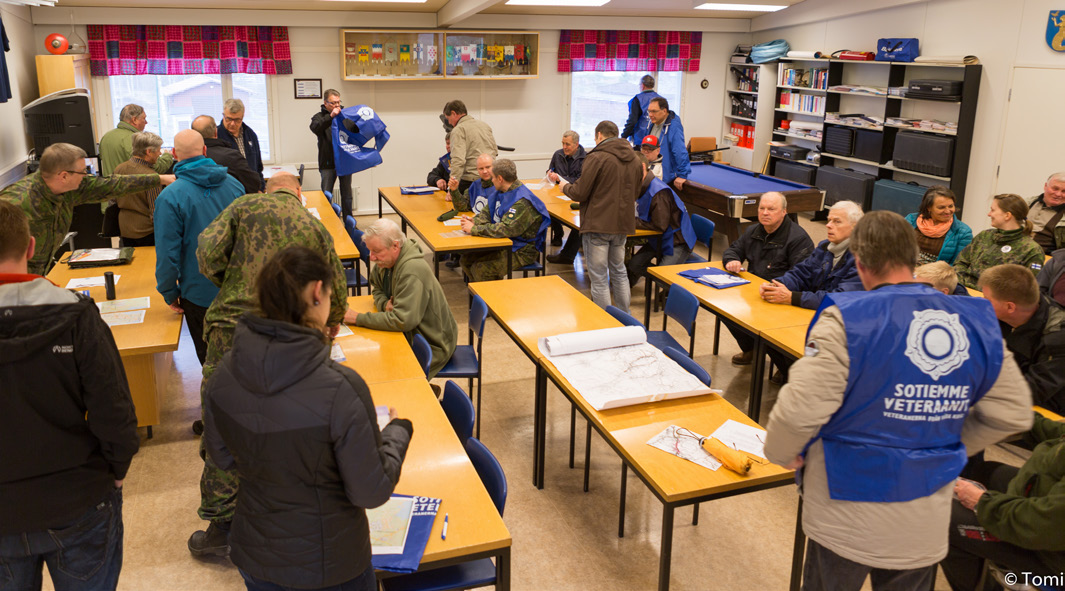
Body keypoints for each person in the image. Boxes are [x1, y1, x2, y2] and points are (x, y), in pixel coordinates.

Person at [764, 210, 1033, 591]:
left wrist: (783, 452)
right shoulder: (977, 320)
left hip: (845, 506)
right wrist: (942, 444)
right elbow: (1012, 413)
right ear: (913, 258)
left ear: (859, 262)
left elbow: (797, 412)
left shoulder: (847, 319)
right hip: (923, 510)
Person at [204, 245, 412, 591]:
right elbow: (370, 492)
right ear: (318, 292)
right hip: (330, 563)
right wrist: (395, 434)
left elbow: (222, 457)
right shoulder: (340, 388)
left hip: (256, 554)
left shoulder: (223, 376)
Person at [190, 172, 348, 558]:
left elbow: (206, 253)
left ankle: (222, 526)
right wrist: (331, 321)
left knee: (224, 422)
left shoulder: (242, 206)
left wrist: (231, 283)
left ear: (266, 190)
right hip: (289, 335)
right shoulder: (312, 224)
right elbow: (334, 283)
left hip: (233, 329)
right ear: (297, 193)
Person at [0, 201, 139, 591]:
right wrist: (118, 469)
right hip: (78, 499)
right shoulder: (76, 315)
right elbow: (114, 408)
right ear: (30, 248)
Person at [0, 142, 174, 276]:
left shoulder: (70, 188)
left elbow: (113, 185)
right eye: (83, 172)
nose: (87, 176)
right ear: (64, 176)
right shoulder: (16, 203)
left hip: (36, 278)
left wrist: (160, 179)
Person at [940, 412, 1065, 591]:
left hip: (1053, 557)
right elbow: (1056, 434)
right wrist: (1011, 412)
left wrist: (981, 502)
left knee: (946, 520)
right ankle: (1006, 566)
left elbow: (1046, 524)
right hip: (1049, 511)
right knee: (988, 472)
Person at [154, 129, 247, 366]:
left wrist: (169, 292)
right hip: (239, 290)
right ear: (205, 151)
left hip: (199, 293)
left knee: (211, 363)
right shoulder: (235, 185)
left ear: (174, 154)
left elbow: (167, 253)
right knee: (244, 358)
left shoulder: (170, 197)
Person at [759, 200, 864, 383]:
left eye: (837, 221)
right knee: (762, 325)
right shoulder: (825, 247)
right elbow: (801, 273)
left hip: (841, 326)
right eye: (829, 220)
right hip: (813, 313)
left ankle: (802, 379)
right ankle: (791, 375)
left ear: (855, 227)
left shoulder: (863, 258)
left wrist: (792, 297)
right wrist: (776, 284)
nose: (829, 225)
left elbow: (838, 299)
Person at [345, 219, 458, 378]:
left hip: (434, 343)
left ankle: (424, 393)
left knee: (384, 372)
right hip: (412, 331)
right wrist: (385, 305)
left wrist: (358, 318)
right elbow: (376, 286)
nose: (371, 258)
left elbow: (402, 321)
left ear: (395, 246)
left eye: (376, 251)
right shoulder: (386, 261)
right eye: (370, 251)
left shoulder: (411, 271)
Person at [722, 192, 814, 365]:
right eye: (761, 208)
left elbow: (801, 276)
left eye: (771, 209)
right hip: (754, 291)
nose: (765, 213)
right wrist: (732, 260)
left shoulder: (798, 239)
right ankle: (751, 350)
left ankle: (784, 365)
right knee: (726, 311)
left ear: (784, 212)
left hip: (781, 298)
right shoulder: (752, 231)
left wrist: (777, 290)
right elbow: (734, 249)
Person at [558, 120, 642, 310]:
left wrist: (565, 187)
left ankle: (605, 322)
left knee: (599, 277)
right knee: (619, 272)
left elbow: (580, 192)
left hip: (598, 224)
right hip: (622, 224)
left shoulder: (597, 158)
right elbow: (636, 192)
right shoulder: (636, 159)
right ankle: (624, 317)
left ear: (599, 136)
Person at [979, 263, 1065, 414]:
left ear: (1010, 307)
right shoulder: (1003, 314)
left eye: (988, 299)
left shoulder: (1057, 337)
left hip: (1046, 411)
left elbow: (1034, 390)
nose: (982, 303)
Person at [459, 158, 550, 282]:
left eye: (493, 177)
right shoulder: (501, 191)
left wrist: (474, 229)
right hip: (506, 243)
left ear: (500, 179)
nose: (491, 180)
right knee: (466, 259)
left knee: (482, 269)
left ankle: (490, 300)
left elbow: (506, 229)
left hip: (523, 250)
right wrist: (475, 221)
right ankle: (481, 296)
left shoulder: (522, 201)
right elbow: (487, 212)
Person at [625, 152, 696, 288]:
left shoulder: (659, 192)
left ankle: (673, 290)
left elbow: (659, 226)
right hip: (658, 239)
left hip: (677, 241)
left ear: (642, 168)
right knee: (635, 265)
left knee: (661, 279)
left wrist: (630, 220)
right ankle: (656, 280)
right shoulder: (643, 184)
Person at [953, 193, 1045, 289]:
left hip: (996, 300)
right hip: (964, 291)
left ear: (1007, 215)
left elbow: (1026, 289)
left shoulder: (1031, 250)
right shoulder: (985, 236)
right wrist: (962, 286)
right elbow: (960, 263)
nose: (989, 214)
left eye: (993, 210)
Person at [113, 131, 165, 247]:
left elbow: (113, 200)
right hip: (146, 232)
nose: (160, 153)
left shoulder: (119, 169)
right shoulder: (151, 176)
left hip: (124, 228)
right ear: (148, 152)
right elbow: (155, 211)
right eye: (158, 150)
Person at [310, 89, 354, 219]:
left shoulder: (345, 115)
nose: (336, 105)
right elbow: (315, 128)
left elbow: (355, 131)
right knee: (326, 194)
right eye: (333, 103)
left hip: (344, 161)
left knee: (347, 195)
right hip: (328, 162)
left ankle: (349, 222)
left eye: (338, 102)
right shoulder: (318, 117)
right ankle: (328, 221)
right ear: (325, 103)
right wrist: (331, 116)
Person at [191, 115, 261, 195]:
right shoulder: (232, 156)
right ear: (216, 132)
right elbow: (253, 184)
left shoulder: (187, 158)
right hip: (231, 204)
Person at [98, 103, 174, 176]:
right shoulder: (135, 139)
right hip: (130, 187)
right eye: (144, 118)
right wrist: (168, 156)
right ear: (134, 120)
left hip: (110, 186)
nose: (146, 122)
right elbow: (155, 168)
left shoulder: (106, 137)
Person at [903, 186, 973, 265]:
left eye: (951, 206)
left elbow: (958, 266)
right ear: (929, 208)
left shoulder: (963, 232)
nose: (947, 211)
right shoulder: (911, 220)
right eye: (941, 207)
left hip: (935, 275)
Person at [443, 99, 497, 194]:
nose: (449, 123)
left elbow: (458, 161)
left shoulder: (458, 130)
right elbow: (494, 152)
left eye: (448, 118)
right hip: (490, 180)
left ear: (453, 113)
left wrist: (451, 189)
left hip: (470, 183)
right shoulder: (484, 125)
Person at [547, 130, 586, 247]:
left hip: (575, 193)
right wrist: (550, 174)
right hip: (557, 193)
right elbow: (550, 169)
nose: (564, 147)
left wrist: (560, 178)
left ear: (576, 144)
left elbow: (581, 179)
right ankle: (558, 234)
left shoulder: (585, 159)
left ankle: (577, 241)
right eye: (563, 143)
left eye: (567, 144)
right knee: (549, 209)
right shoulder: (558, 154)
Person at [217, 98, 265, 191]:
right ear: (223, 115)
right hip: (229, 191)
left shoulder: (250, 134)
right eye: (229, 119)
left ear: (242, 117)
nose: (232, 124)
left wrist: (261, 188)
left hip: (251, 191)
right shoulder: (216, 136)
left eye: (237, 120)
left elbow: (258, 167)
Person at [645, 97, 690, 192]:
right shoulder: (652, 122)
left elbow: (679, 150)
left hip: (665, 176)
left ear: (664, 111)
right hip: (651, 171)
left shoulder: (674, 125)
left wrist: (682, 174)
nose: (650, 115)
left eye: (654, 111)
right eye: (649, 111)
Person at [1028, 171, 1065, 254]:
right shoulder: (1027, 203)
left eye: (1064, 191)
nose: (1058, 194)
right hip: (1014, 251)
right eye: (1055, 189)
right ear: (1045, 186)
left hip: (1045, 258)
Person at [622, 74, 662, 146]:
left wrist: (623, 136)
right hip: (657, 139)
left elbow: (632, 121)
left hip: (641, 139)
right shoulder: (661, 100)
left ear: (642, 85)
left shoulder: (637, 99)